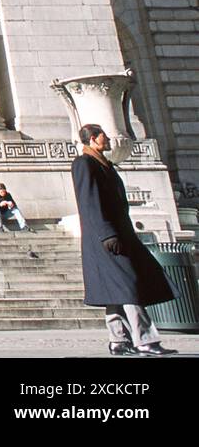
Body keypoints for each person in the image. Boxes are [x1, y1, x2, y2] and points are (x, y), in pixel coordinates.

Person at [72, 123, 178, 356]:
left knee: (115, 288)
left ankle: (118, 340)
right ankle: (145, 340)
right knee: (129, 286)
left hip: (117, 235)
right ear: (92, 139)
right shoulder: (84, 164)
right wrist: (106, 233)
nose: (108, 139)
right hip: (105, 238)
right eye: (103, 136)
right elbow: (89, 202)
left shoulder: (104, 164)